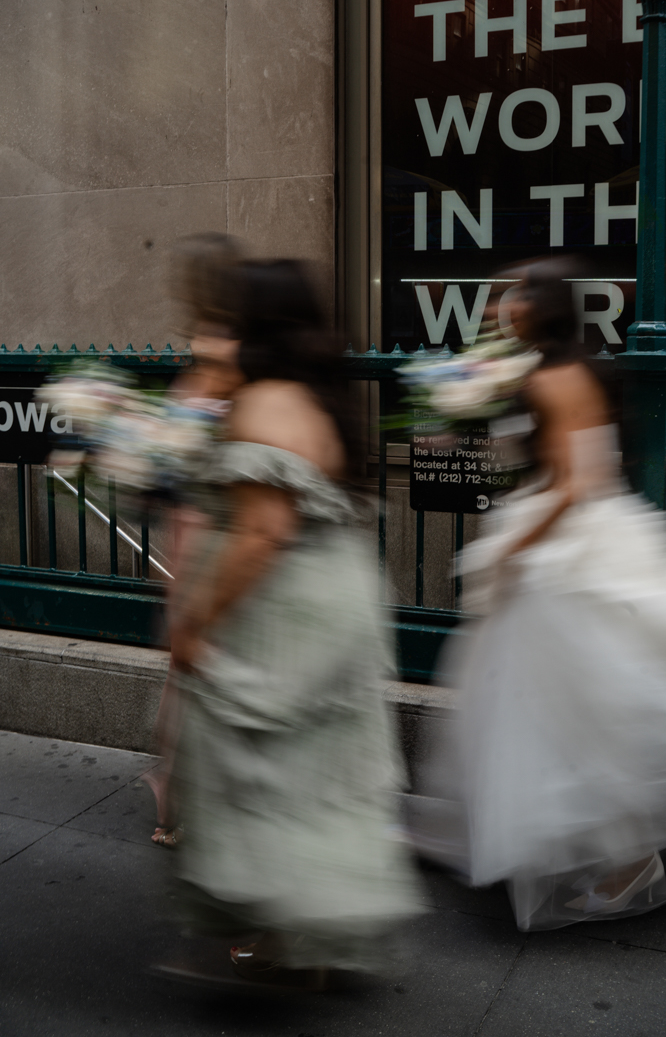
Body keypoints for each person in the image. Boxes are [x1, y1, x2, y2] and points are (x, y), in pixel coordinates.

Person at [414, 257, 666, 931]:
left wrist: (521, 548)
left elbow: (582, 479)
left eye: (513, 296)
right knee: (547, 711)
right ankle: (523, 833)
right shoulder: (549, 369)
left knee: (582, 718)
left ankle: (629, 861)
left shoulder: (557, 378)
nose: (500, 308)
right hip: (570, 536)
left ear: (543, 307)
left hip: (570, 556)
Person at [164, 258, 419, 985]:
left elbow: (261, 534)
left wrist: (196, 626)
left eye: (226, 317)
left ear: (254, 322)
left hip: (288, 607)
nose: (211, 331)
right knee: (311, 769)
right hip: (335, 595)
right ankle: (298, 940)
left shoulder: (265, 401)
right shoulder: (312, 394)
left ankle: (279, 939)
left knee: (258, 763)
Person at [146, 232, 244, 848]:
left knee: (194, 664)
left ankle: (176, 791)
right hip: (209, 522)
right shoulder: (232, 345)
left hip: (202, 524)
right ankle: (185, 790)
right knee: (206, 661)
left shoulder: (212, 353)